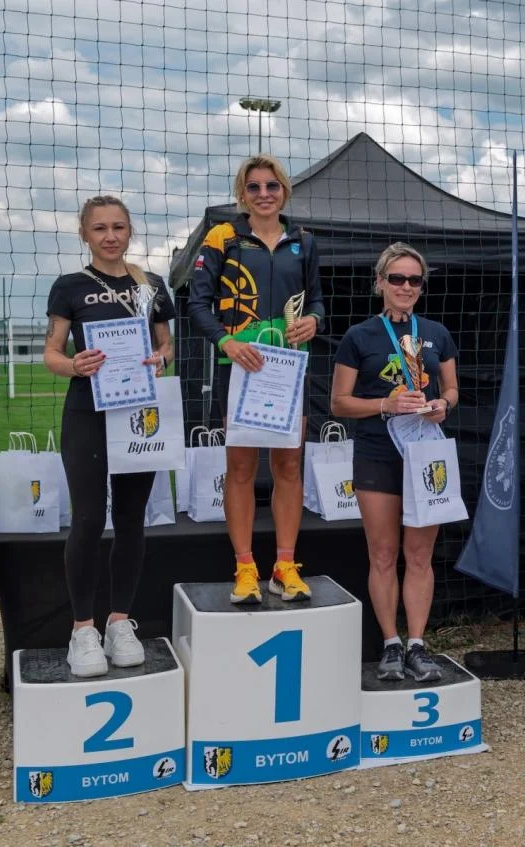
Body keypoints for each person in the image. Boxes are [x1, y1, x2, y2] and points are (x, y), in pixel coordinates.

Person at [43, 195, 176, 677]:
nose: (110, 236)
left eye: (118, 227)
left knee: (131, 519)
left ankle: (120, 622)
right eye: (100, 228)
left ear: (129, 230)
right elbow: (52, 353)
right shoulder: (69, 286)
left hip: (138, 413)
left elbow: (167, 343)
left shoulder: (151, 285)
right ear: (85, 234)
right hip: (87, 411)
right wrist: (74, 365)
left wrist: (161, 358)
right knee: (87, 518)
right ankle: (83, 629)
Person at [187, 154, 326, 605]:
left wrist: (315, 322)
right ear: (242, 194)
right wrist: (225, 342)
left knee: (288, 466)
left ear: (284, 190)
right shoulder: (222, 237)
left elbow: (317, 301)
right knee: (242, 468)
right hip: (239, 367)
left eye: (272, 186)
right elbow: (197, 304)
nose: (264, 194)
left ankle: (285, 566)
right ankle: (245, 568)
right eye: (254, 187)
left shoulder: (304, 240)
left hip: (288, 369)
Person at [330, 243, 458, 682]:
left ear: (422, 286)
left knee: (419, 555)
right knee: (383, 554)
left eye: (414, 280)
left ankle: (417, 644)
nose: (406, 286)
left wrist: (442, 404)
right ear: (380, 282)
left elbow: (452, 390)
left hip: (425, 454)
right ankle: (390, 644)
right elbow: (339, 403)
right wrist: (385, 404)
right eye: (397, 278)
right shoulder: (359, 336)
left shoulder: (437, 333)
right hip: (377, 453)